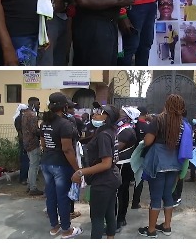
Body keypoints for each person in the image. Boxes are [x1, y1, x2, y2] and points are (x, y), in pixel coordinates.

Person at [138, 94, 187, 238]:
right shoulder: (183, 123)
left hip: (158, 162)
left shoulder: (158, 120)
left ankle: (151, 230)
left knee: (155, 197)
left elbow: (147, 142)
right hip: (174, 162)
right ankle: (166, 226)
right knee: (168, 195)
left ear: (166, 104)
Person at [71, 104, 121, 239]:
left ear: (107, 117)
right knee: (109, 212)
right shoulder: (109, 132)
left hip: (103, 181)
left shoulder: (104, 135)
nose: (94, 114)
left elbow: (105, 164)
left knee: (97, 217)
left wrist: (81, 172)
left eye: (99, 112)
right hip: (111, 179)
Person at [40, 92, 82, 238]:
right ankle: (66, 230)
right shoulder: (65, 124)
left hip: (46, 162)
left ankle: (54, 227)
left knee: (51, 196)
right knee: (63, 197)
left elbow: (44, 144)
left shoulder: (44, 122)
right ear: (64, 106)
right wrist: (78, 170)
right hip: (60, 165)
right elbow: (67, 149)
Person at [115, 106, 140, 232]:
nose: (118, 115)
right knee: (121, 192)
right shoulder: (121, 129)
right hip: (120, 163)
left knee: (121, 192)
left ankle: (119, 219)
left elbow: (115, 147)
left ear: (127, 117)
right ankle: (119, 218)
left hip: (123, 164)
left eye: (121, 114)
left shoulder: (127, 131)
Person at [21, 100, 43, 195]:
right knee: (34, 166)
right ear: (34, 104)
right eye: (38, 104)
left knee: (31, 165)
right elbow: (34, 130)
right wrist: (43, 131)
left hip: (26, 142)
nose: (39, 106)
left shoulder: (24, 114)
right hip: (33, 143)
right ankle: (33, 188)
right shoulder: (32, 115)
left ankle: (30, 185)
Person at [131, 106, 150, 209]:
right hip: (141, 155)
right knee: (139, 179)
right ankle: (135, 202)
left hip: (129, 154)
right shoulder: (147, 126)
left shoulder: (131, 125)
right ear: (146, 114)